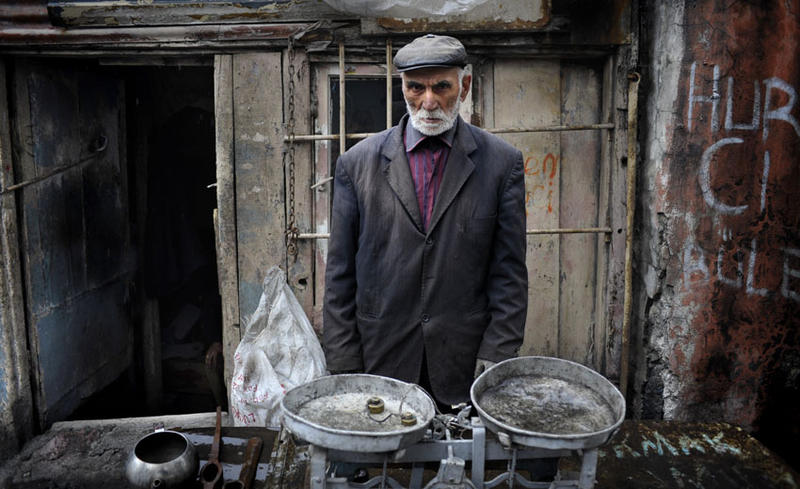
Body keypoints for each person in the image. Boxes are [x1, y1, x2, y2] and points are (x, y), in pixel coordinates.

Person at [322, 34, 528, 409]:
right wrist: (344, 362)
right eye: (416, 87)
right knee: (375, 465)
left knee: (464, 463)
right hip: (379, 358)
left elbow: (509, 274)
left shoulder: (502, 163)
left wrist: (498, 350)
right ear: (402, 87)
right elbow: (339, 275)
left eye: (441, 87)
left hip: (462, 364)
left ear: (464, 86)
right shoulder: (357, 164)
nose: (429, 101)